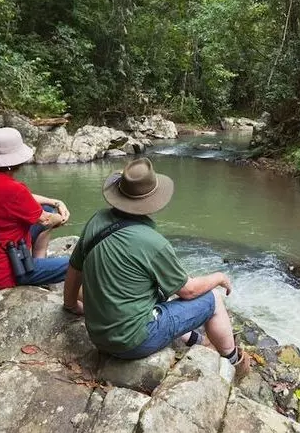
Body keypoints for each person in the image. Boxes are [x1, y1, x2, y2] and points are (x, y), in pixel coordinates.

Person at [63, 158, 249, 376]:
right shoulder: (153, 242)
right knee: (213, 299)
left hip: (98, 336)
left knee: (160, 289)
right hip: (133, 343)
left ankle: (195, 340)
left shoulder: (97, 220)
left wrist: (71, 305)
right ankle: (233, 360)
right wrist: (219, 277)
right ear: (151, 201)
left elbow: (75, 269)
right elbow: (189, 291)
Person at [0, 127, 71, 290]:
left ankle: (38, 265)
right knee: (76, 264)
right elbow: (46, 220)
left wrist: (55, 202)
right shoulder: (13, 189)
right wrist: (61, 218)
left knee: (47, 208)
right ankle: (72, 301)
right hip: (5, 271)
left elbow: (26, 199)